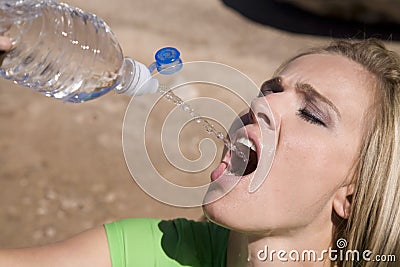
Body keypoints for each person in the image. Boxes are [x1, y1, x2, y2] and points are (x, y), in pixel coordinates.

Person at [0, 38, 399, 267]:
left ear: (352, 193)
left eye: (311, 114)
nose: (262, 105)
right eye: (271, 90)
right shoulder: (161, 251)